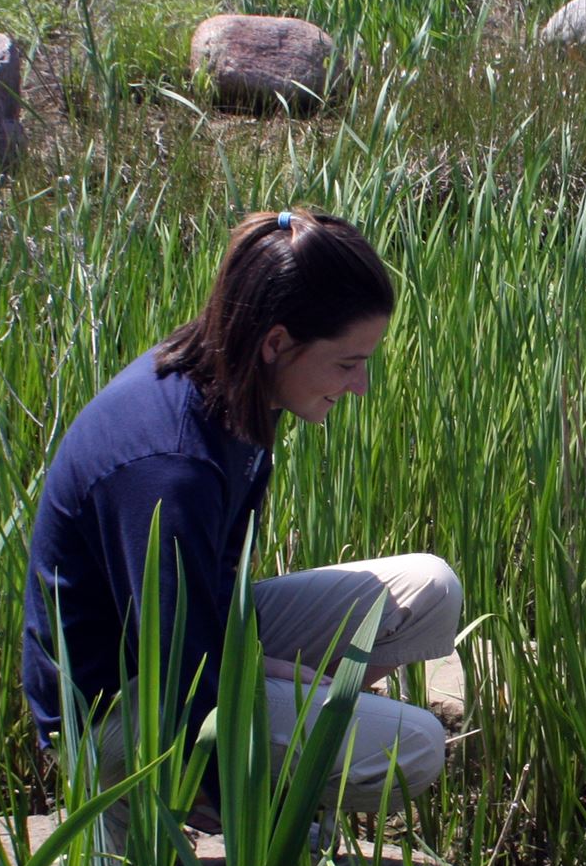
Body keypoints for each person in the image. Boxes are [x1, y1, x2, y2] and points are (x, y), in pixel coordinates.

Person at [24, 208, 459, 826]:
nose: (361, 386)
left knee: (431, 588)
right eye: (346, 362)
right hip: (117, 706)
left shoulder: (236, 385)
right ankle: (169, 811)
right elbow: (183, 681)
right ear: (277, 341)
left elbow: (211, 600)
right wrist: (268, 845)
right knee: (411, 748)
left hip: (184, 639)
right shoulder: (170, 465)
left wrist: (283, 675)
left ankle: (282, 766)